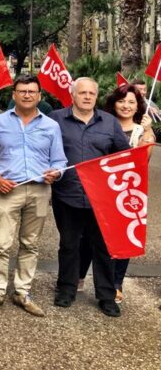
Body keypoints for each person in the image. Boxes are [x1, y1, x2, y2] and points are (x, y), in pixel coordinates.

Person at [0, 74, 68, 317]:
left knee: (30, 243)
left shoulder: (51, 126)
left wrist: (56, 173)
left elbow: (59, 160)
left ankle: (22, 291)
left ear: (39, 96)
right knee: (0, 243)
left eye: (32, 91)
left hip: (39, 190)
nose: (27, 95)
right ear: (14, 95)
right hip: (8, 189)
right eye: (22, 91)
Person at [49, 77, 130, 317]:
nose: (87, 97)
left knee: (103, 248)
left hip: (101, 198)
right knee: (69, 245)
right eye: (82, 92)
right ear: (72, 95)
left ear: (96, 96)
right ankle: (66, 289)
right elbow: (44, 148)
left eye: (91, 93)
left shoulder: (110, 122)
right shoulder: (55, 119)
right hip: (67, 194)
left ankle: (106, 296)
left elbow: (123, 156)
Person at [96, 84, 155, 304]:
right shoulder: (101, 125)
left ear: (138, 106)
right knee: (97, 238)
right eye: (122, 101)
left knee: (125, 236)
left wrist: (148, 132)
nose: (126, 106)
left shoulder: (143, 131)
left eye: (131, 102)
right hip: (103, 188)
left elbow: (143, 161)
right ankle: (91, 280)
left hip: (129, 191)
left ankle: (116, 283)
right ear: (113, 103)